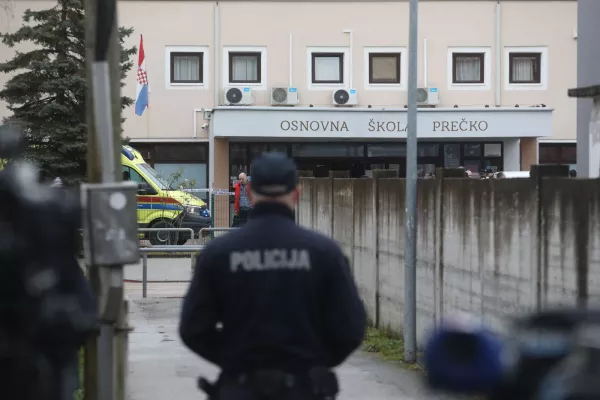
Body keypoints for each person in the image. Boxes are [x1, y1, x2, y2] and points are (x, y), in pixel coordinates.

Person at [179, 152, 366, 400]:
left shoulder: (218, 254)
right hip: (304, 388)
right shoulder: (324, 253)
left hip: (239, 388)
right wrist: (312, 361)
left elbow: (193, 328)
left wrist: (235, 359)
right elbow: (350, 329)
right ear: (296, 194)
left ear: (248, 193)